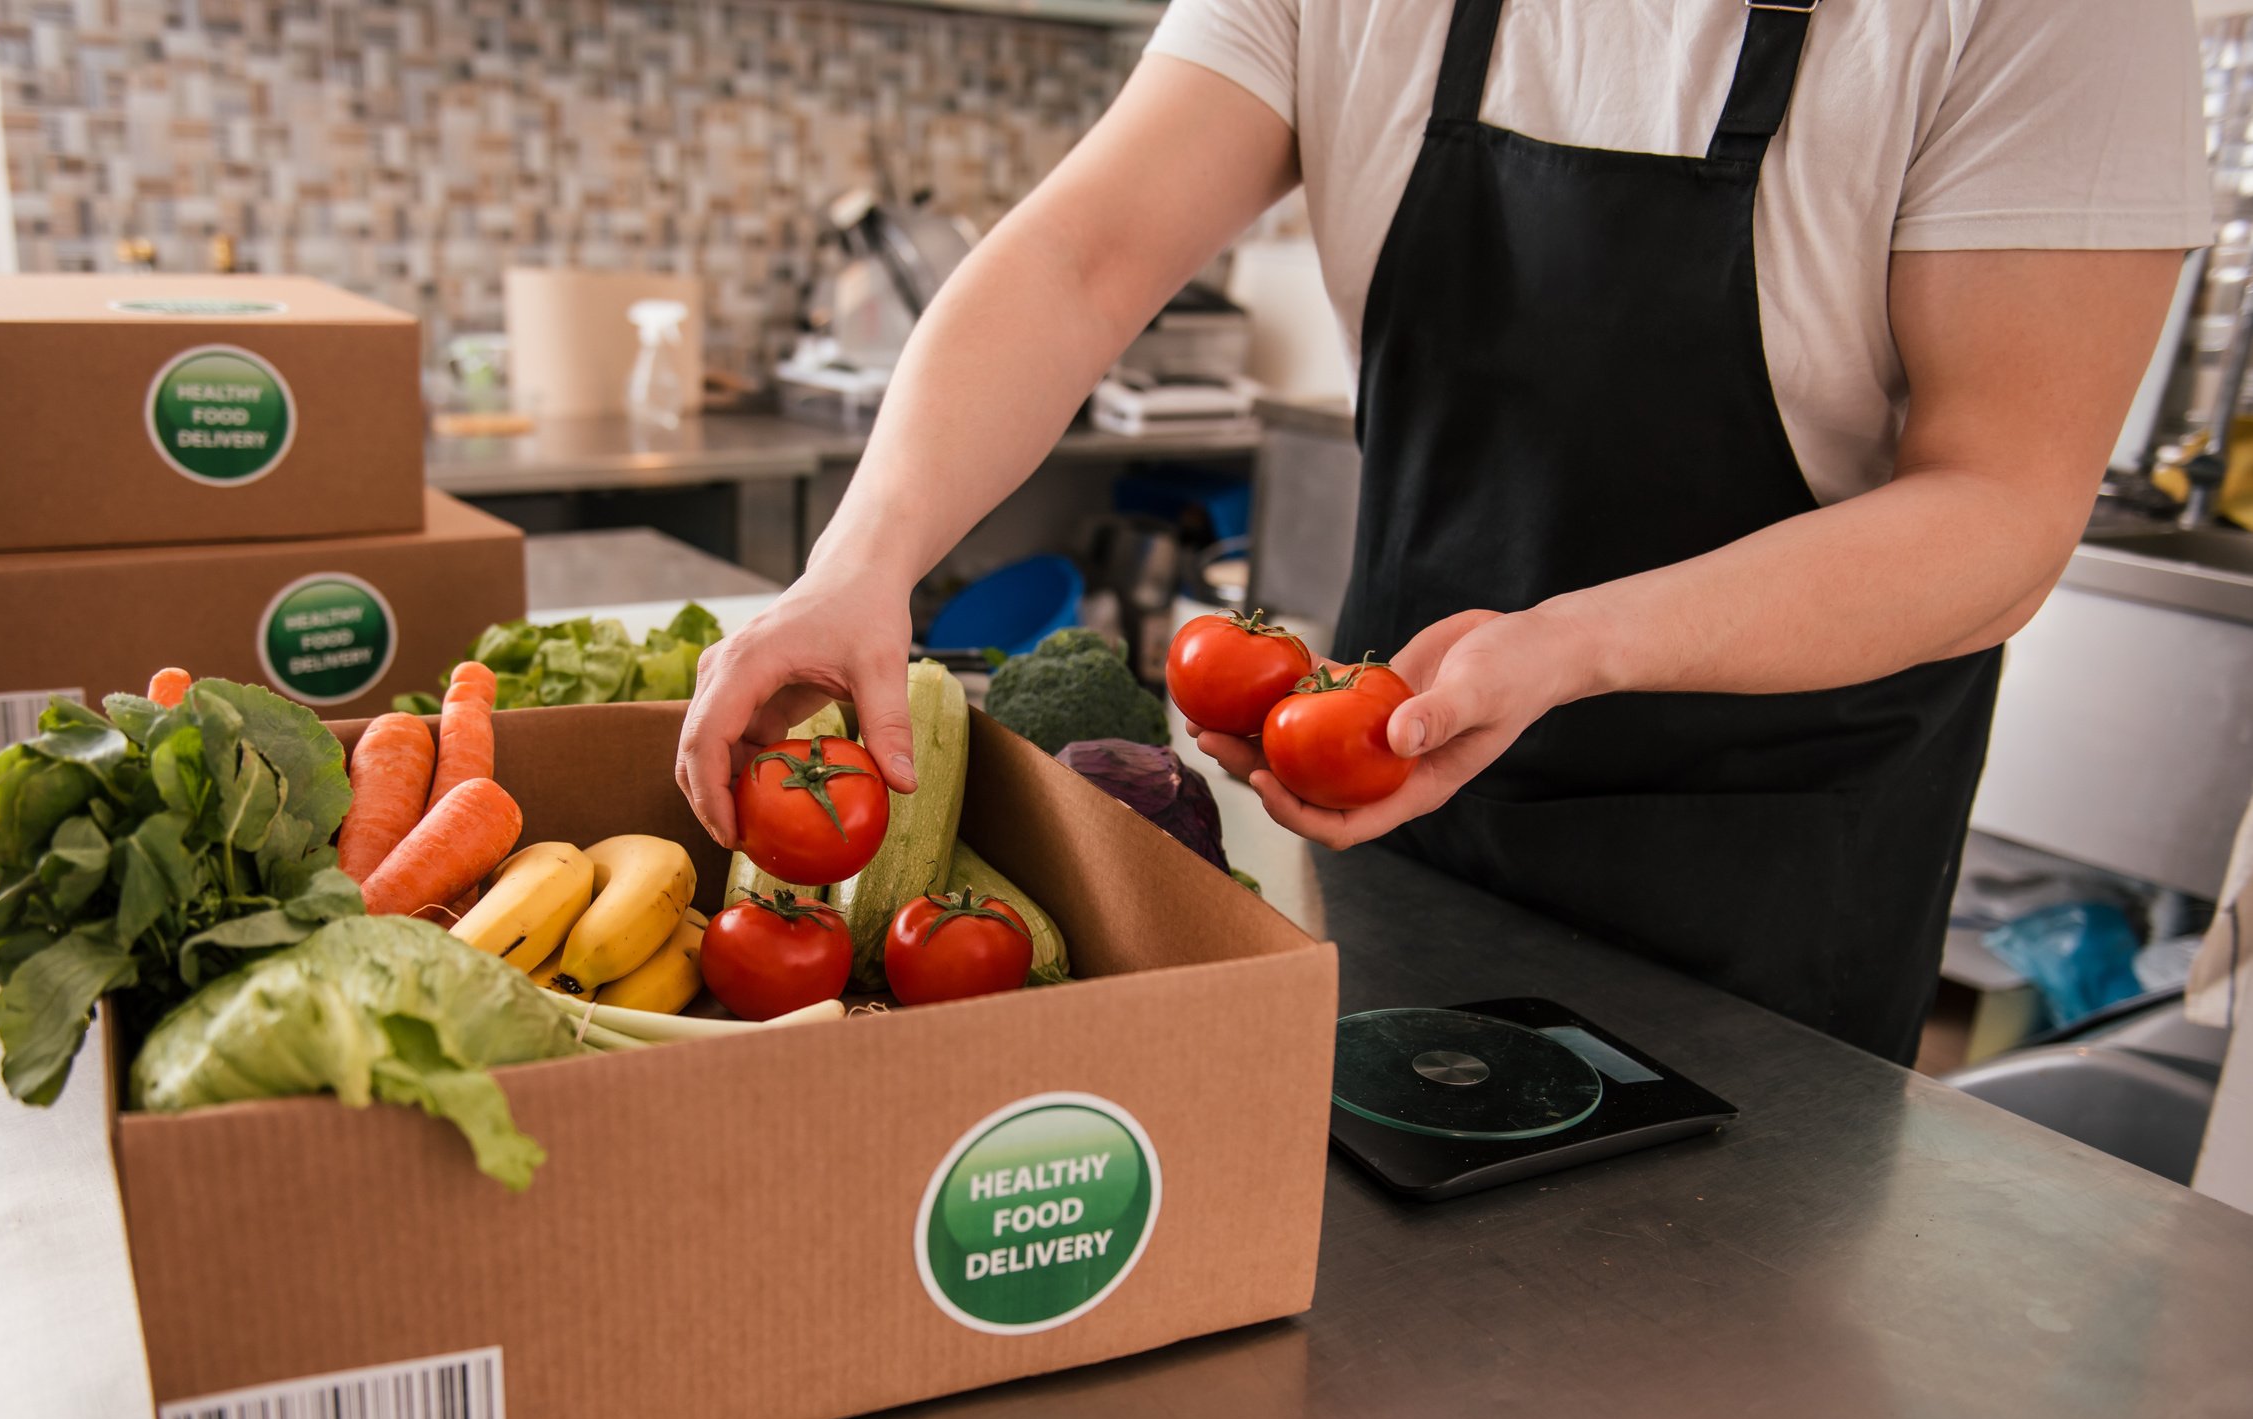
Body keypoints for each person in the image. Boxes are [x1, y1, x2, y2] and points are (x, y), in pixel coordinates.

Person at [680, 0, 2211, 1062]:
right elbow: (1085, 256)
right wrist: (861, 559)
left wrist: (1571, 645)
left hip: (1774, 856)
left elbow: (2003, 503)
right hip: (1403, 800)